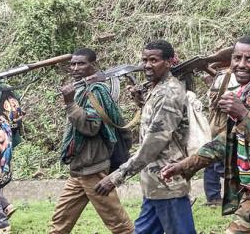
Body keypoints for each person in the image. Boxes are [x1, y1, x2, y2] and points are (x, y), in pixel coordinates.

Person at [161, 35, 250, 233]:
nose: (241, 65)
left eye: (249, 59)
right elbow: (224, 142)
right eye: (237, 58)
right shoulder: (247, 93)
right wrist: (184, 165)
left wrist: (243, 114)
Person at [94, 40, 196, 234]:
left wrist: (117, 176)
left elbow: (152, 145)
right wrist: (142, 103)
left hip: (168, 182)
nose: (147, 65)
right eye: (144, 60)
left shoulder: (169, 93)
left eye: (154, 60)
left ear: (169, 62)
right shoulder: (156, 89)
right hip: (154, 183)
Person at [49, 48, 134, 234]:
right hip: (79, 168)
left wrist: (70, 103)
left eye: (81, 63)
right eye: (73, 64)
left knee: (118, 223)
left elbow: (91, 127)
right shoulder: (82, 88)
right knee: (60, 221)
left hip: (94, 168)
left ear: (92, 65)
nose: (76, 68)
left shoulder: (96, 90)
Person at [0, 57, 20, 234]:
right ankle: (6, 206)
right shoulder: (7, 89)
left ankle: (2, 225)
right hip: (6, 140)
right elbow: (17, 118)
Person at [203, 71, 239, 207]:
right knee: (221, 161)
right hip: (224, 121)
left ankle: (214, 197)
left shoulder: (220, 76)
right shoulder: (226, 76)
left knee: (213, 160)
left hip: (217, 122)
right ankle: (219, 196)